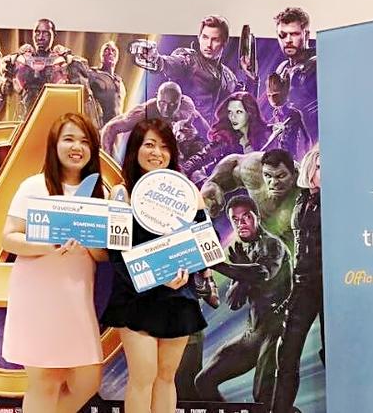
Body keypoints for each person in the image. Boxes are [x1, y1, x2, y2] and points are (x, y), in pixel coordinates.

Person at [1, 112, 107, 413]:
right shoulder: (33, 187)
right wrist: (48, 246)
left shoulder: (99, 194)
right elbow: (8, 238)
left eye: (85, 141)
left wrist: (86, 241)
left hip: (77, 296)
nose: (77, 147)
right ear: (54, 145)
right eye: (69, 139)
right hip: (37, 294)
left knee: (88, 380)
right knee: (45, 381)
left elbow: (103, 256)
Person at [100, 118, 207, 413]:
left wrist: (186, 271)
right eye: (149, 145)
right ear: (135, 150)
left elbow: (202, 246)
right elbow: (116, 254)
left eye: (164, 146)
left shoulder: (187, 192)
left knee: (166, 378)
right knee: (143, 378)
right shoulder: (121, 194)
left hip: (178, 296)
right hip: (136, 297)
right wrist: (155, 278)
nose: (157, 153)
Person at [194, 195, 290, 404]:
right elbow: (234, 302)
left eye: (246, 217)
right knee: (204, 381)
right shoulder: (245, 251)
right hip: (253, 333)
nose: (241, 223)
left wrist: (218, 264)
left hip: (277, 329)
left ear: (257, 217)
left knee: (262, 396)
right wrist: (241, 275)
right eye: (235, 219)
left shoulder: (272, 244)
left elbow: (262, 273)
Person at [271, 146, 324, 413]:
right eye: (320, 166)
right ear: (310, 167)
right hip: (302, 286)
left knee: (332, 353)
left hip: (328, 286)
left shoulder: (334, 200)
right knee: (287, 354)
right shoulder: (302, 198)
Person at [131, 15, 256, 120]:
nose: (208, 44)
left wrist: (252, 79)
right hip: (182, 133)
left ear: (224, 42)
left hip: (212, 137)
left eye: (215, 39)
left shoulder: (229, 77)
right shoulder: (189, 60)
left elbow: (246, 106)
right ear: (199, 37)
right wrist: (156, 59)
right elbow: (172, 63)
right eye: (205, 37)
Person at [201, 149, 300, 256]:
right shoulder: (251, 170)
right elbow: (232, 167)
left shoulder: (305, 183)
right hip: (284, 236)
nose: (274, 182)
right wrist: (211, 186)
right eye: (268, 176)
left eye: (281, 176)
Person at [101, 81, 209, 156]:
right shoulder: (144, 112)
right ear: (157, 96)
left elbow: (199, 119)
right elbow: (110, 128)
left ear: (180, 101)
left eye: (172, 104)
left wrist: (212, 138)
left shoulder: (187, 105)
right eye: (162, 103)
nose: (166, 109)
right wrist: (107, 163)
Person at [183, 91, 269, 183]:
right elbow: (202, 156)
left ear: (250, 113)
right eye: (230, 112)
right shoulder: (225, 138)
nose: (233, 117)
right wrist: (183, 170)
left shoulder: (266, 137)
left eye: (238, 112)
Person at [273, 7, 317, 140]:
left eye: (294, 34)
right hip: (288, 144)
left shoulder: (317, 65)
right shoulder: (282, 69)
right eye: (283, 35)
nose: (288, 40)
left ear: (306, 35)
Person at [263, 72, 310, 162]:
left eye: (275, 95)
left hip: (292, 157)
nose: (272, 99)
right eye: (269, 96)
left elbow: (307, 139)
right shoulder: (274, 115)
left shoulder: (294, 113)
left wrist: (306, 157)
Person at [88, 41, 127, 126]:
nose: (110, 53)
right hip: (99, 126)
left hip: (117, 128)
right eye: (106, 50)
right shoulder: (92, 74)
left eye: (113, 50)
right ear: (101, 55)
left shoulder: (119, 81)